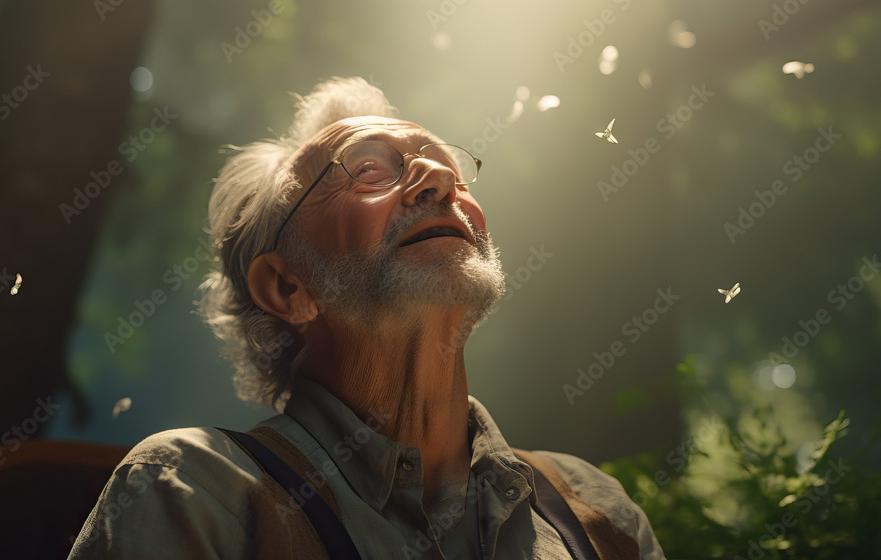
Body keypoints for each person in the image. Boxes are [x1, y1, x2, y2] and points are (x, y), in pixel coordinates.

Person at [68, 77, 665, 559]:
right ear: (287, 287)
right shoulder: (195, 492)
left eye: (447, 168)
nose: (436, 178)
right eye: (368, 170)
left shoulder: (592, 506)